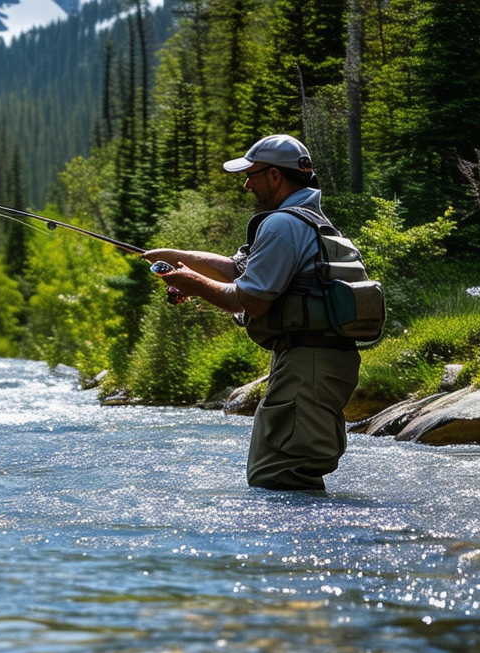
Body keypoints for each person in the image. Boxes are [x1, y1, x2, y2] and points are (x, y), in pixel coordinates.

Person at [143, 134, 360, 491]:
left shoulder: (282, 224)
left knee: (279, 476)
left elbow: (251, 299)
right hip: (317, 361)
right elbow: (236, 269)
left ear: (275, 176)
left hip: (308, 364)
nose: (246, 184)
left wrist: (193, 283)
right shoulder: (307, 220)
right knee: (290, 472)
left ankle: (305, 547)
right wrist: (174, 255)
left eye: (252, 174)